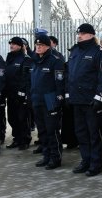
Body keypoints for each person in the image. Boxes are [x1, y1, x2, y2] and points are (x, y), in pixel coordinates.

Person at [66, 23, 102, 176]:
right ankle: (85, 160)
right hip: (77, 100)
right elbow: (69, 75)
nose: (79, 35)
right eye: (79, 33)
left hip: (92, 100)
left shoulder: (100, 52)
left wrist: (100, 96)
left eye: (83, 33)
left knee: (94, 133)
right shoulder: (75, 51)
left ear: (91, 35)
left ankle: (96, 163)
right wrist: (68, 94)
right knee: (81, 133)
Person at [31, 34, 64, 170]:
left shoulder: (55, 60)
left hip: (50, 100)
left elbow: (60, 83)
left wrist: (58, 100)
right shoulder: (34, 61)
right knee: (42, 131)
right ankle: (46, 156)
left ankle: (55, 158)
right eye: (37, 45)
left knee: (52, 131)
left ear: (48, 46)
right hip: (37, 100)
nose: (38, 47)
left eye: (41, 45)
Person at [5, 37, 32, 150]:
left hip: (20, 95)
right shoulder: (9, 57)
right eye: (11, 43)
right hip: (10, 94)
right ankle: (17, 138)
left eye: (15, 44)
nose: (12, 46)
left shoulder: (25, 59)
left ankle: (25, 139)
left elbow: (26, 78)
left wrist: (23, 92)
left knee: (22, 118)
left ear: (21, 46)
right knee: (12, 118)